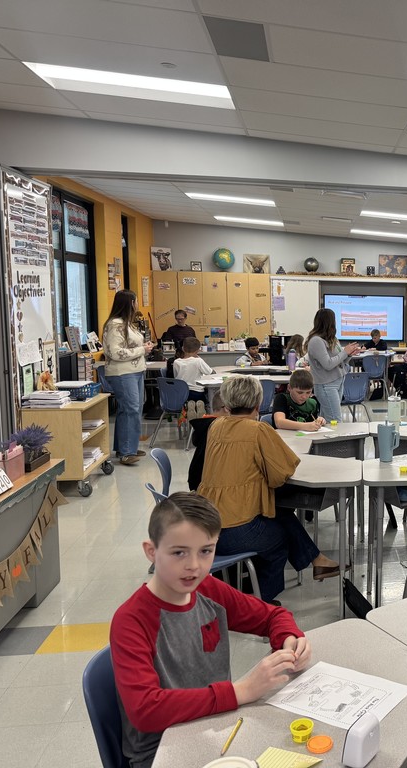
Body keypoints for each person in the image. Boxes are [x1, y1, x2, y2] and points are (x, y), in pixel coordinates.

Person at [110, 492, 311, 768]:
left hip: (220, 728)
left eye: (206, 551)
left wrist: (290, 638)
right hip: (161, 751)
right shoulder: (131, 620)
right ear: (151, 551)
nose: (194, 565)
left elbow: (272, 616)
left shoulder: (206, 588)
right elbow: (146, 710)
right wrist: (241, 691)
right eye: (179, 552)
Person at [196, 375, 339, 601]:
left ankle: (318, 561)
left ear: (228, 402)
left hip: (205, 521)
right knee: (279, 538)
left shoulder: (216, 426)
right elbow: (283, 472)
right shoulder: (258, 430)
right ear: (258, 404)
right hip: (232, 530)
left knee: (278, 511)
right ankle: (262, 604)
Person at [103, 289, 153, 466]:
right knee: (131, 409)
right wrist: (142, 350)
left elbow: (130, 345)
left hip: (135, 371)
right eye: (137, 301)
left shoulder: (128, 323)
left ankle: (125, 447)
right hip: (122, 373)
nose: (138, 304)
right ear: (131, 303)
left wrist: (143, 347)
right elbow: (115, 352)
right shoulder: (115, 324)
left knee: (130, 410)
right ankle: (126, 452)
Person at [304, 308, 361, 422]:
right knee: (335, 420)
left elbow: (340, 361)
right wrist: (345, 352)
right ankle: (336, 440)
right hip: (326, 384)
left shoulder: (332, 339)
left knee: (326, 420)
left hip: (338, 381)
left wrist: (348, 354)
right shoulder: (316, 341)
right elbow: (328, 364)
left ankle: (325, 440)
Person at [172, 337, 213, 419]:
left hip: (182, 394)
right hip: (197, 393)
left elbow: (176, 377)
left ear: (183, 348)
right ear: (198, 350)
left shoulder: (176, 362)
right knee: (208, 398)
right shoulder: (198, 361)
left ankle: (189, 407)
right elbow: (210, 372)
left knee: (188, 401)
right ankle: (200, 407)